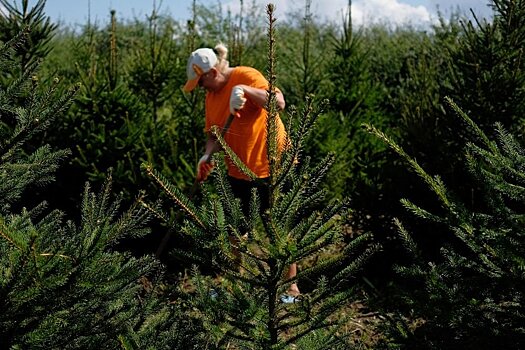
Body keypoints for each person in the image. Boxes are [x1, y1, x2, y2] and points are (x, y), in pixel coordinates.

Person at [183, 43, 300, 303]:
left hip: (273, 165)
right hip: (239, 172)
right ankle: (233, 284)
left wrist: (245, 91)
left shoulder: (245, 75)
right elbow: (213, 133)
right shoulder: (211, 96)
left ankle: (292, 288)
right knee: (236, 230)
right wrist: (207, 155)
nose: (200, 88)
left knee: (279, 227)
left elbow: (278, 102)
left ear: (212, 73)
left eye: (201, 82)